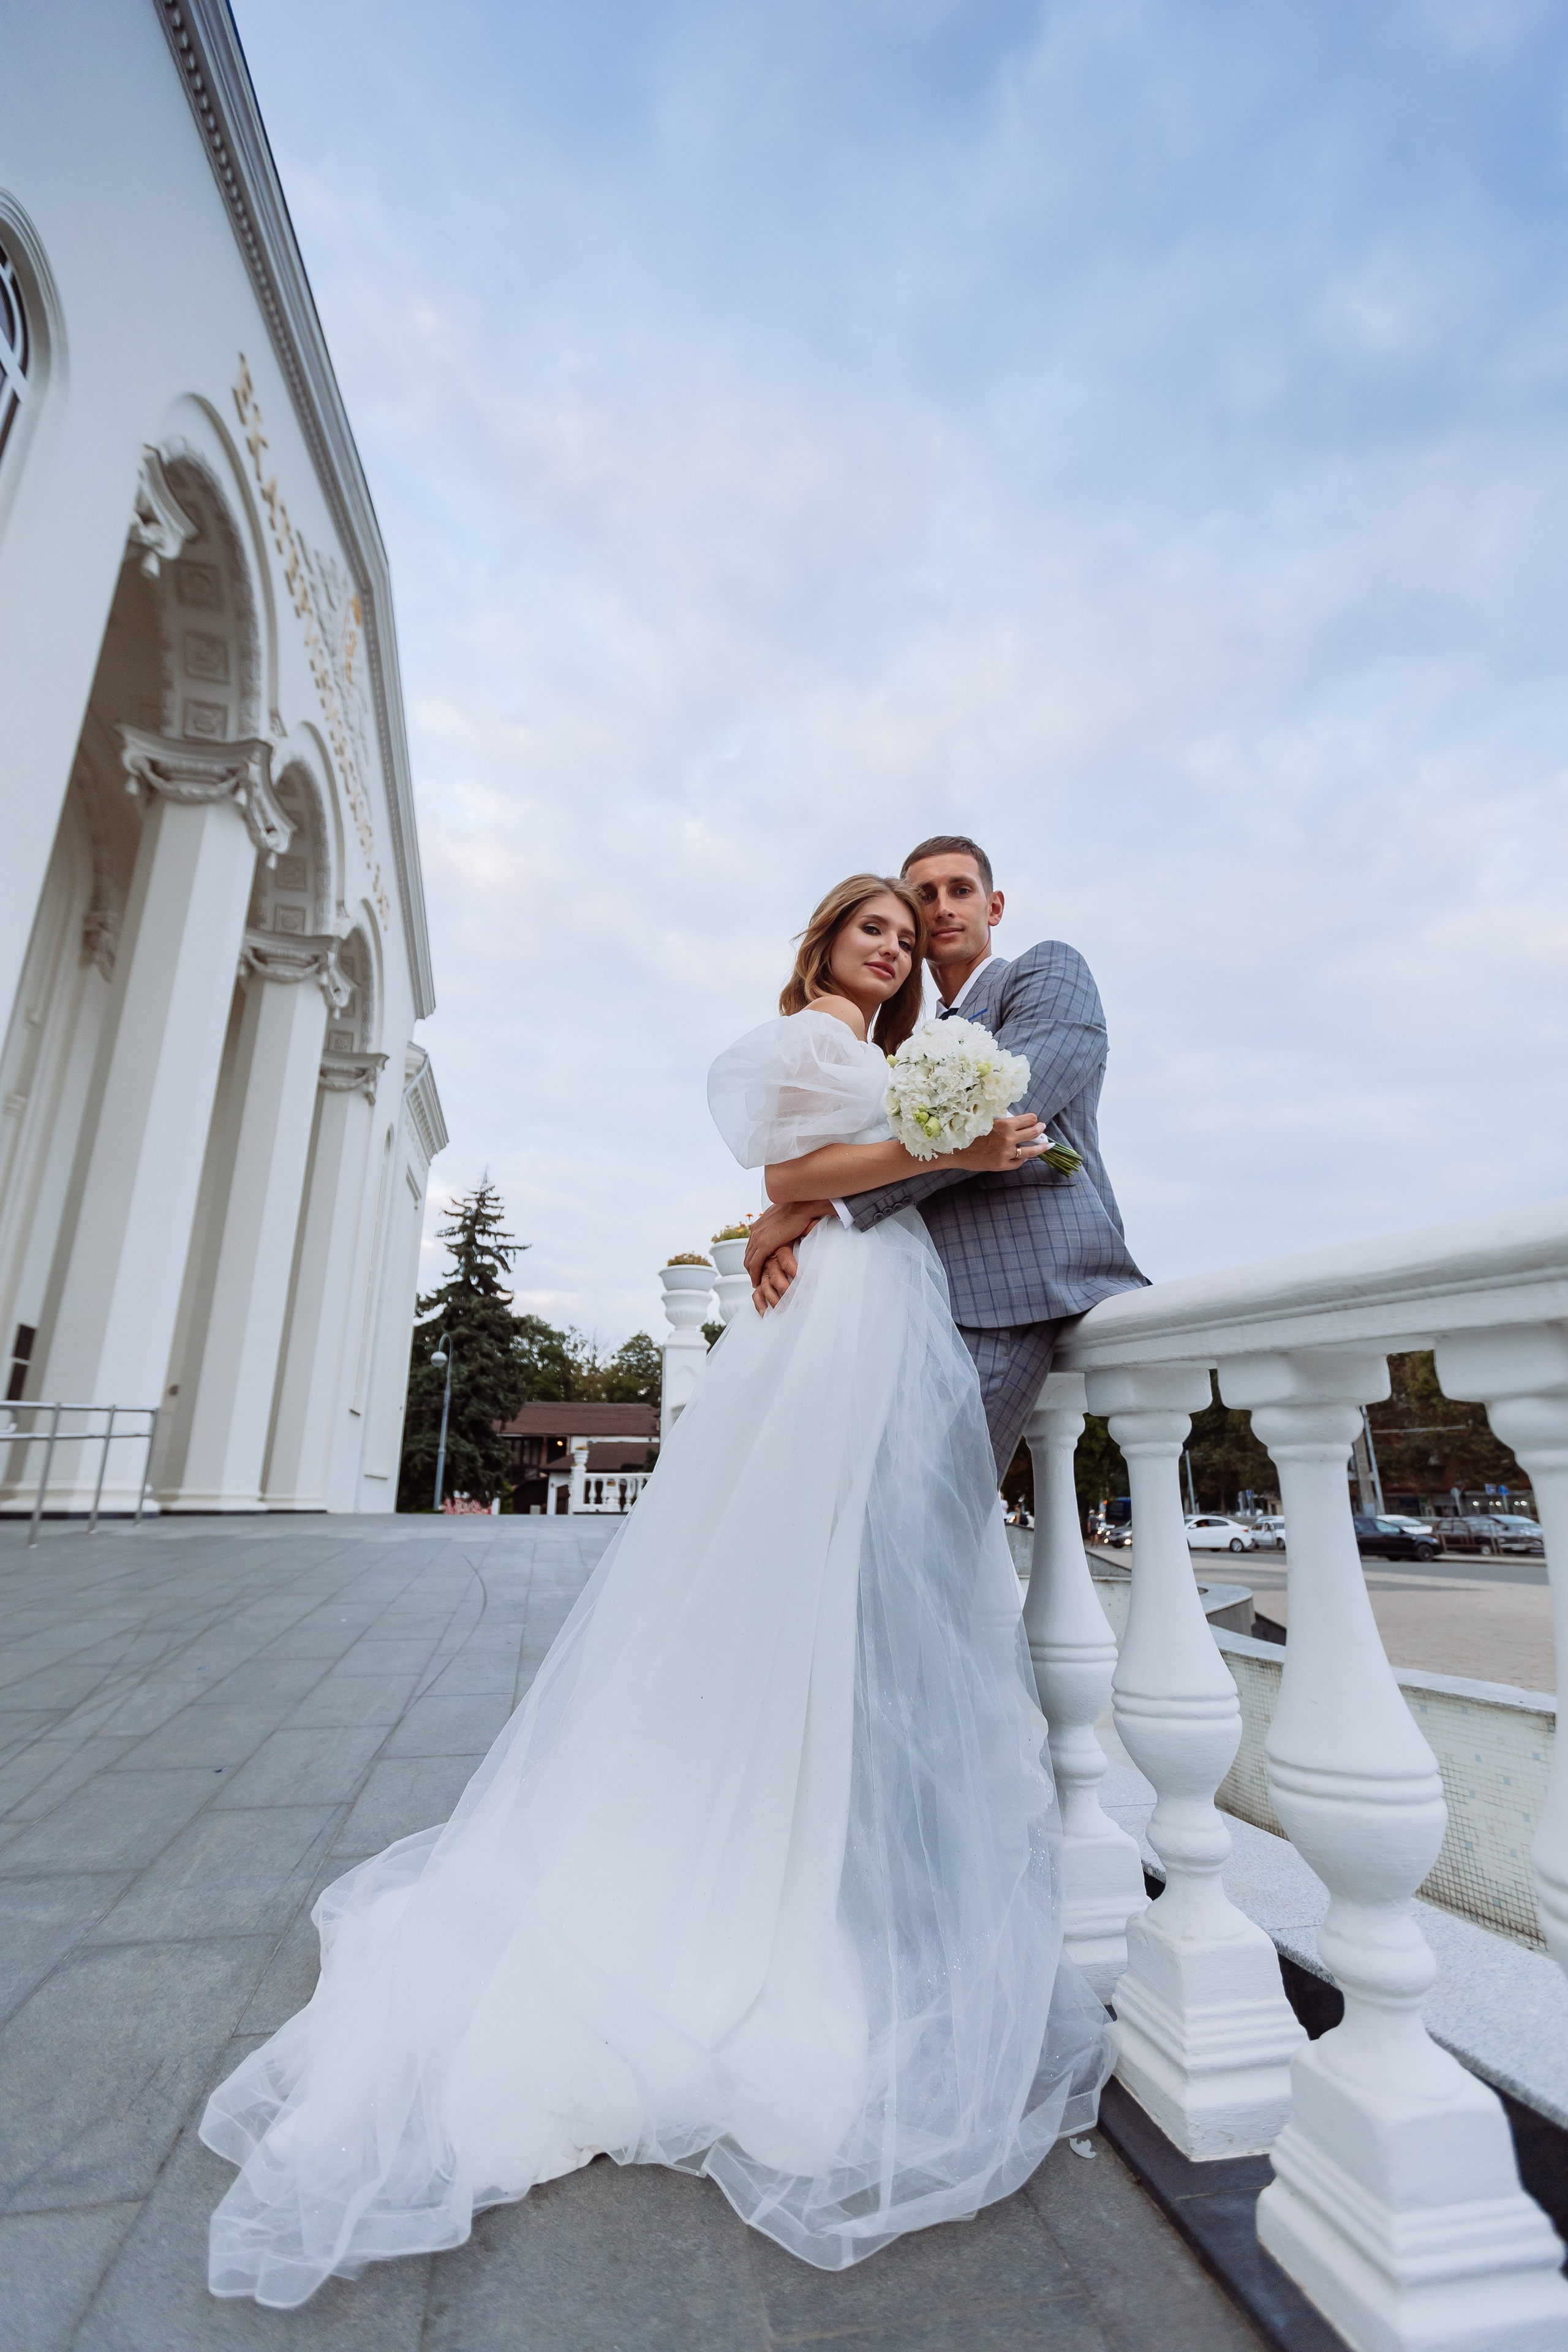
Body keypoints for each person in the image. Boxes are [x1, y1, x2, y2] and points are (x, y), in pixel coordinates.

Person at [200, 872, 1111, 2310]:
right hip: (833, 1321)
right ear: (823, 943)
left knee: (828, 1588)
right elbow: (787, 1183)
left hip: (878, 1312)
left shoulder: (877, 1054)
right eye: (868, 924)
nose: (888, 942)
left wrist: (894, 1149)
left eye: (902, 929)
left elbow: (830, 1189)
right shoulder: (805, 1044)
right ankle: (735, 1886)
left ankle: (799, 1849)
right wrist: (924, 1145)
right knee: (788, 1578)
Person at [746, 834, 1147, 1479]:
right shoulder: (906, 1042)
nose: (941, 908)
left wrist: (820, 1202)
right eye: (922, 896)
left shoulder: (1045, 971)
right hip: (912, 1293)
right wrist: (811, 1210)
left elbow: (1012, 1110)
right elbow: (879, 1147)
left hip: (1013, 1286)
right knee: (865, 1508)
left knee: (929, 1508)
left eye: (960, 890)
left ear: (994, 906)